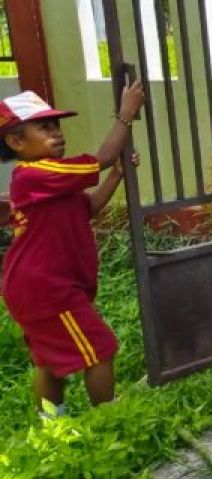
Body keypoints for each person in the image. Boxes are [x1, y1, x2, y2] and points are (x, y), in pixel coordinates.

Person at [0, 81, 144, 415]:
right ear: (16, 141)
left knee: (50, 361)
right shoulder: (35, 175)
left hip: (33, 286)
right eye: (44, 127)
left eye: (57, 125)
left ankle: (54, 425)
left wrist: (117, 176)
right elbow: (103, 158)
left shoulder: (53, 178)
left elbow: (88, 208)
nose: (57, 132)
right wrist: (126, 115)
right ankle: (107, 419)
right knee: (100, 349)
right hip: (47, 288)